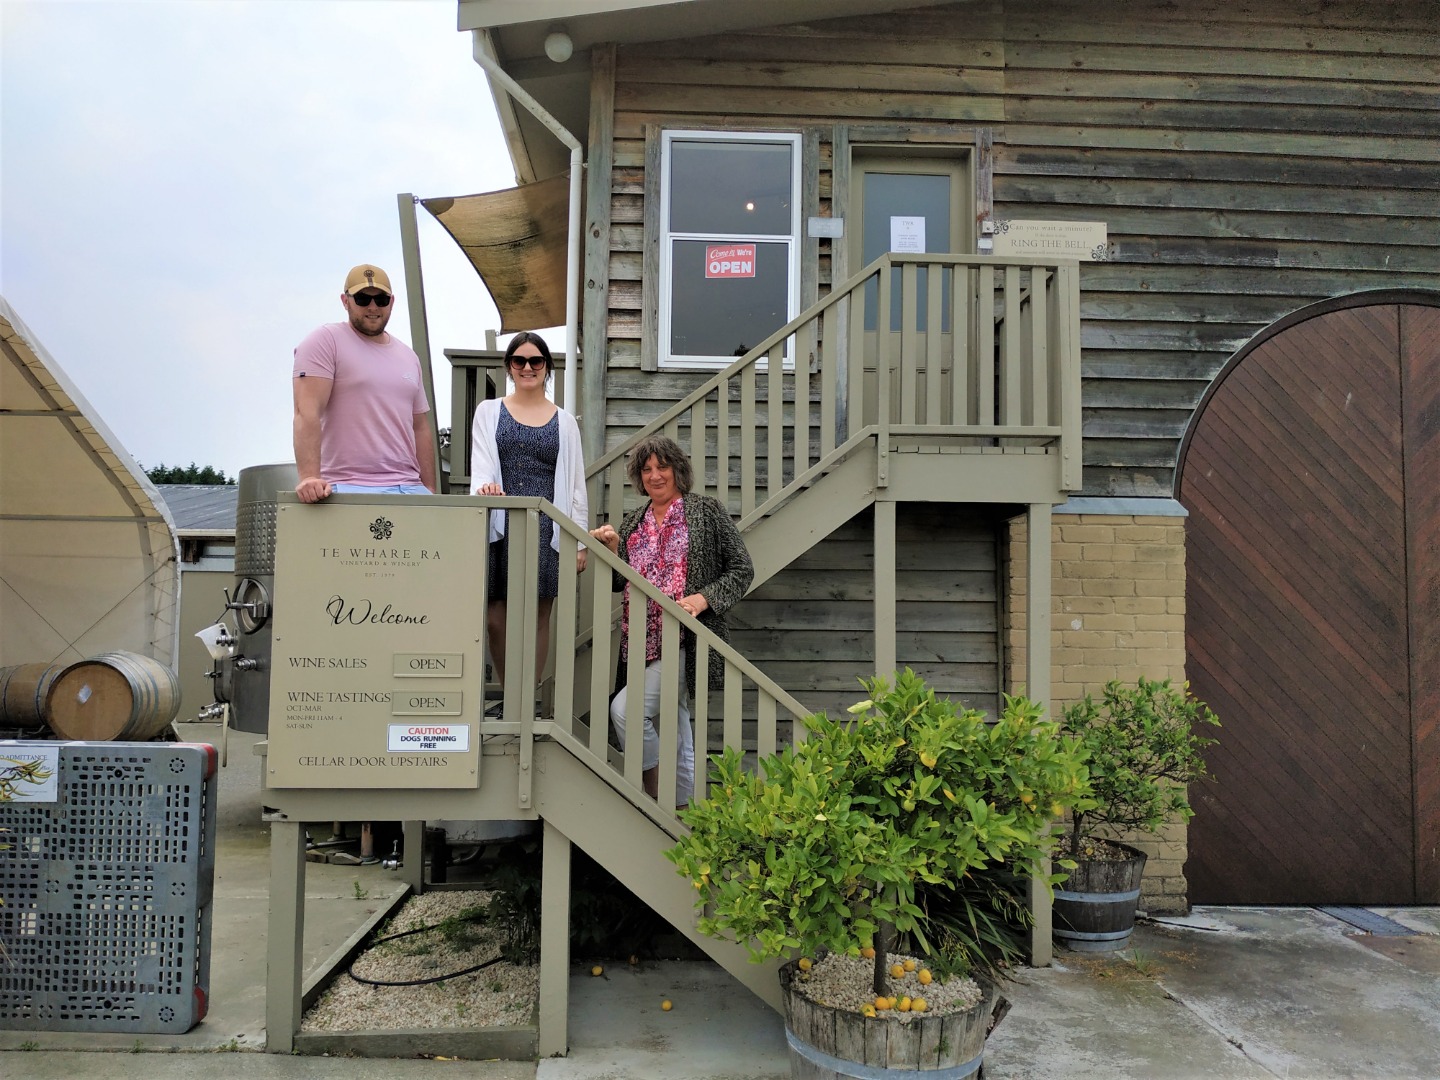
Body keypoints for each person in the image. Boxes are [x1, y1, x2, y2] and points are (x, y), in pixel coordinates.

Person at [589, 435, 753, 806]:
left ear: (677, 469)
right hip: (641, 642)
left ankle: (654, 795)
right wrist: (613, 551)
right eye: (646, 469)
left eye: (662, 466)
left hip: (685, 638)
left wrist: (702, 598)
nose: (655, 475)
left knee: (626, 711)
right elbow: (621, 582)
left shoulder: (706, 511)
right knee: (678, 727)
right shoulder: (633, 521)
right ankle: (683, 809)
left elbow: (742, 569)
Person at [469, 332, 588, 691]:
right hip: (502, 526)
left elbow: (576, 484)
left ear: (547, 368)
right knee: (495, 616)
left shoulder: (565, 422)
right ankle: (510, 694)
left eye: (536, 361)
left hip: (547, 527)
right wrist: (485, 487)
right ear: (509, 366)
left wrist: (579, 541)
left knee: (538, 616)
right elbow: (482, 466)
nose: (527, 368)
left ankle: (529, 698)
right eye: (519, 361)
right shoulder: (489, 412)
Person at [292, 264, 436, 503]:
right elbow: (306, 412)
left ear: (392, 301)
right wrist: (309, 478)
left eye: (381, 299)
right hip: (345, 487)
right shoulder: (325, 341)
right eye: (362, 298)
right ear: (345, 300)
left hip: (409, 489)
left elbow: (419, 426)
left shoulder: (409, 356)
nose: (372, 307)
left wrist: (429, 489)